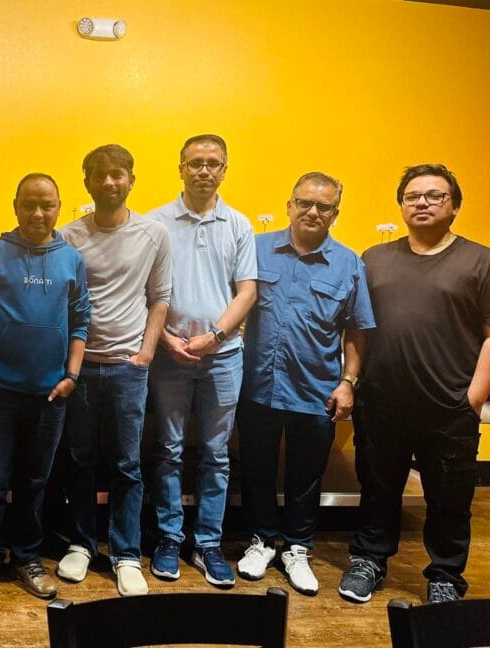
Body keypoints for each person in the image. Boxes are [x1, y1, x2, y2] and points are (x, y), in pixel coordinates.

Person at [339, 164, 490, 605]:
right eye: (412, 196)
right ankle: (369, 560)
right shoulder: (374, 258)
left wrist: (473, 399)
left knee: (449, 498)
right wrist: (353, 381)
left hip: (449, 405)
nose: (422, 202)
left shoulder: (480, 261)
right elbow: (357, 329)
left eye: (435, 195)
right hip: (380, 402)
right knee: (377, 488)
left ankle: (445, 574)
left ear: (455, 206)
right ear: (401, 205)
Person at [236, 172, 375, 595]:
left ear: (335, 213)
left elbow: (356, 330)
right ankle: (261, 541)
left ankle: (297, 548)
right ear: (289, 205)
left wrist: (348, 382)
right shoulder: (255, 248)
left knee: (306, 476)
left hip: (315, 390)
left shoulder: (349, 263)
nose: (313, 212)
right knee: (256, 468)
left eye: (324, 206)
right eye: (304, 203)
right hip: (257, 384)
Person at [0, 173, 91, 602]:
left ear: (59, 208)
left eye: (47, 205)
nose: (38, 213)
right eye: (29, 204)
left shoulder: (71, 259)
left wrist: (71, 376)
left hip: (50, 396)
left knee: (35, 481)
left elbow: (81, 321)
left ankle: (26, 556)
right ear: (15, 206)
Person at [57, 144, 172, 597]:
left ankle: (126, 554)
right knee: (79, 460)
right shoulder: (68, 236)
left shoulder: (154, 234)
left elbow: (160, 297)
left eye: (118, 174)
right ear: (86, 182)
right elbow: (62, 302)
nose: (109, 182)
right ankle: (81, 544)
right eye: (100, 175)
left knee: (127, 464)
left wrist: (145, 355)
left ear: (131, 180)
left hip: (128, 368)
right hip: (80, 369)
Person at [147, 134, 257, 588]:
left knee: (216, 453)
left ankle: (208, 542)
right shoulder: (155, 223)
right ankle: (169, 538)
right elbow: (144, 290)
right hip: (169, 355)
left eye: (213, 163)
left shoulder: (239, 224)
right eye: (195, 163)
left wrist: (216, 337)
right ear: (181, 168)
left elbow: (247, 291)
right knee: (168, 450)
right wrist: (165, 338)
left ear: (225, 170)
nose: (204, 171)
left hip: (223, 357)